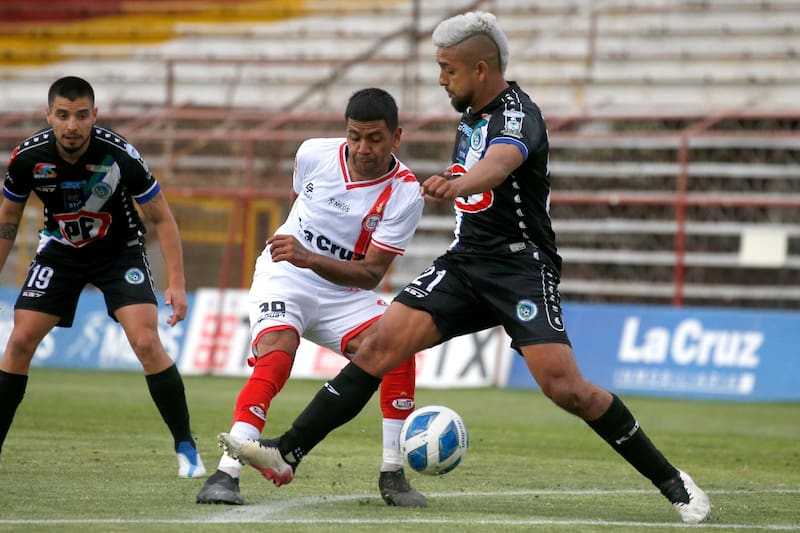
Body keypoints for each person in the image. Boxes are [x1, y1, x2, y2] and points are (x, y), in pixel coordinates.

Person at [218, 11, 712, 524]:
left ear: (480, 68)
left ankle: (674, 483)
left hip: (520, 268)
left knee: (565, 387)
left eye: (448, 69)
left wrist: (459, 184)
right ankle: (288, 452)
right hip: (465, 264)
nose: (440, 78)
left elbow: (499, 164)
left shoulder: (518, 115)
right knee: (380, 346)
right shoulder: (471, 116)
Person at [197, 88, 427, 507]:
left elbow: (374, 273)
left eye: (374, 138)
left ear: (396, 138)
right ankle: (225, 474)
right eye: (354, 136)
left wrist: (310, 257)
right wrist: (299, 257)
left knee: (398, 345)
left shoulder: (405, 192)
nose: (362, 148)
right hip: (286, 274)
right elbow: (298, 208)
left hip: (345, 288)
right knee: (278, 353)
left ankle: (393, 473)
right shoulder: (313, 154)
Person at [0, 76, 205, 479]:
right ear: (49, 116)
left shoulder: (119, 156)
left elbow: (161, 217)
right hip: (60, 251)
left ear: (95, 115)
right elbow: (8, 218)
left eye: (80, 116)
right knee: (20, 340)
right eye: (62, 115)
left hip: (119, 252)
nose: (71, 125)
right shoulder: (28, 158)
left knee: (146, 340)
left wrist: (177, 284)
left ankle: (186, 447)